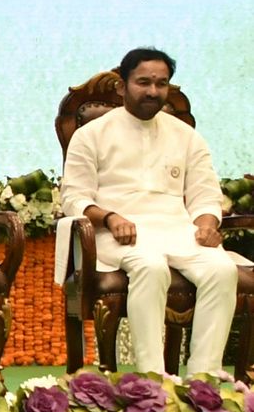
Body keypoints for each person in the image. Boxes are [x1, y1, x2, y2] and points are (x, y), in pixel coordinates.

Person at [59, 47, 240, 376]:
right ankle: (152, 379)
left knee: (222, 269)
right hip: (116, 232)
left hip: (177, 230)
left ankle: (204, 380)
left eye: (161, 83)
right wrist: (110, 217)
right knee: (151, 266)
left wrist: (206, 224)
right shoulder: (90, 135)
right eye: (143, 82)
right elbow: (74, 197)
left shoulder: (187, 136)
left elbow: (204, 194)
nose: (153, 91)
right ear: (122, 86)